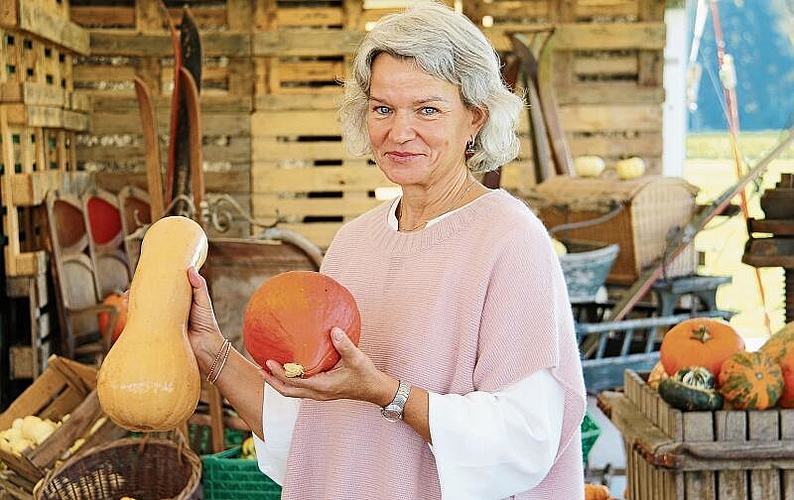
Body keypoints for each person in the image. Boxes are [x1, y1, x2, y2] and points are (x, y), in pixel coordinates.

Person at [185, 2, 586, 498]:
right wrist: (211, 350)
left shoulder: (509, 239)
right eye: (382, 108)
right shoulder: (354, 243)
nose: (399, 132)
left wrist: (385, 393)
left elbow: (524, 438)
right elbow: (312, 431)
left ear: (475, 118)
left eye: (428, 109)